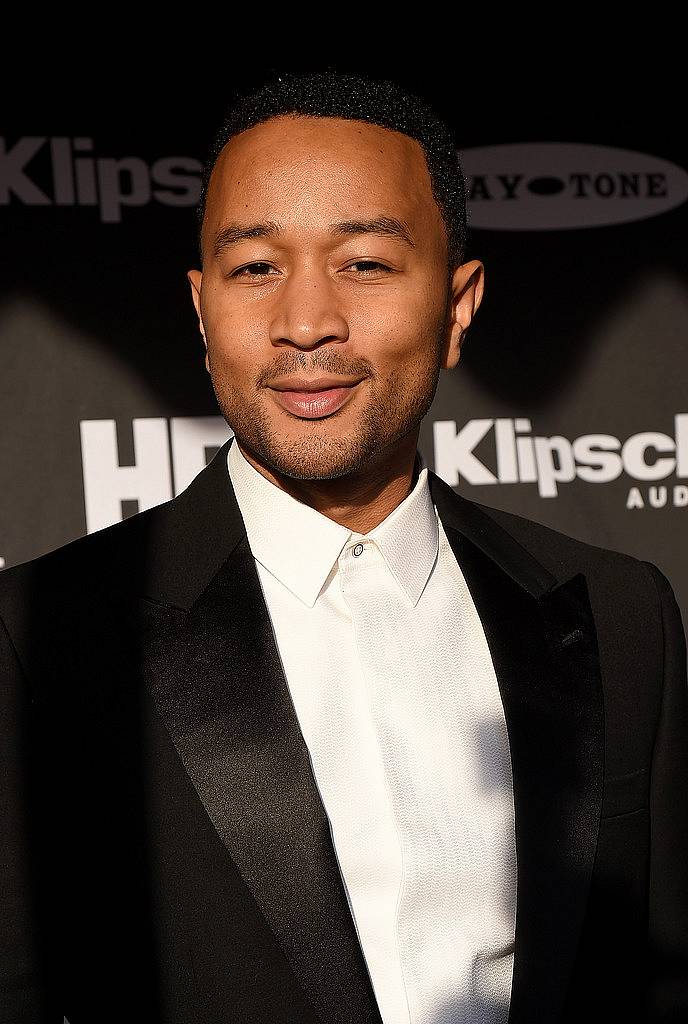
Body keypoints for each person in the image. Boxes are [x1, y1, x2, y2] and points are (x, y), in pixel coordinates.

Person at [1, 70, 686, 1024]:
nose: (306, 321)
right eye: (254, 268)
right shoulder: (40, 635)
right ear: (202, 313)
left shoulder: (621, 612)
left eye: (363, 262)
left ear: (458, 307)